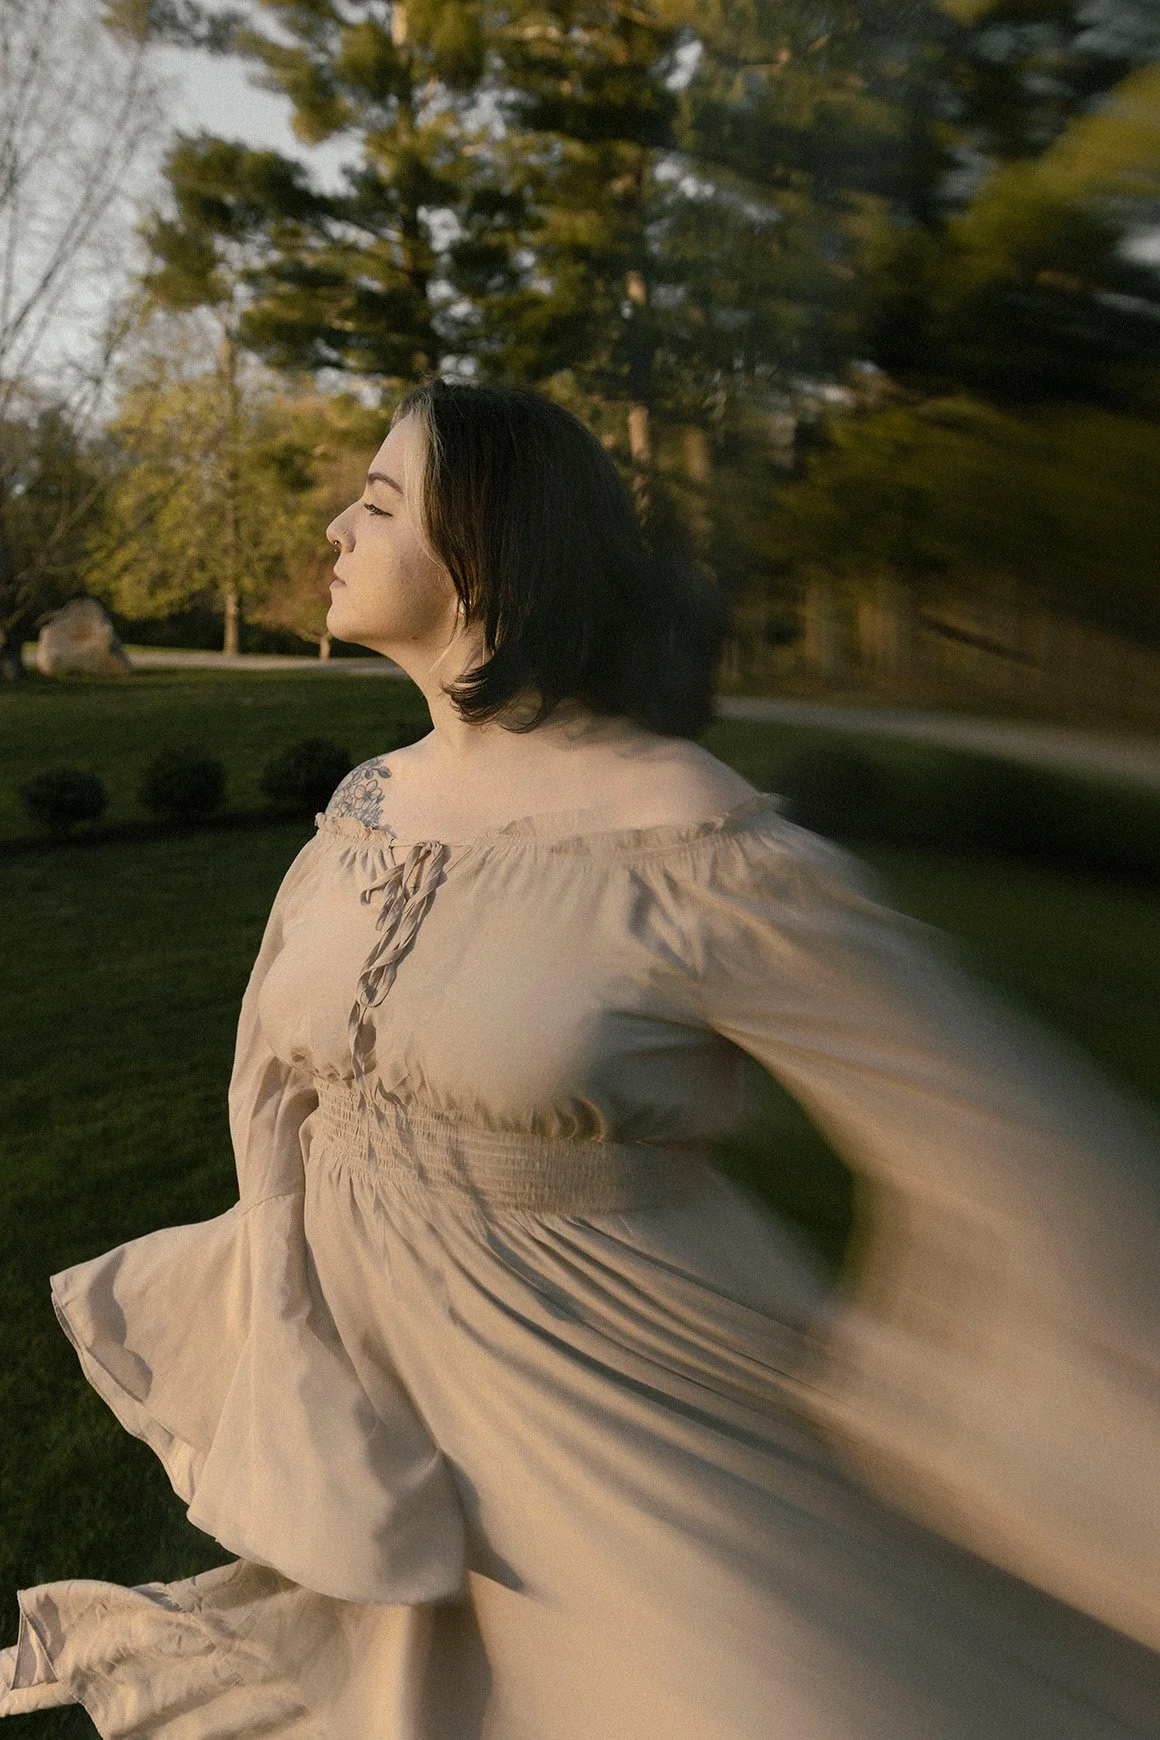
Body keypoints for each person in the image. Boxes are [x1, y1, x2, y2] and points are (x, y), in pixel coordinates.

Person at [3, 381, 1160, 1738]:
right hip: (408, 1436)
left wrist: (965, 1407)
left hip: (635, 1434)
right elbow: (277, 1086)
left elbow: (1006, 1142)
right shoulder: (363, 811)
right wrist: (288, 1335)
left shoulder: (695, 848)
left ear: (492, 551)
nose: (333, 527)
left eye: (378, 503)